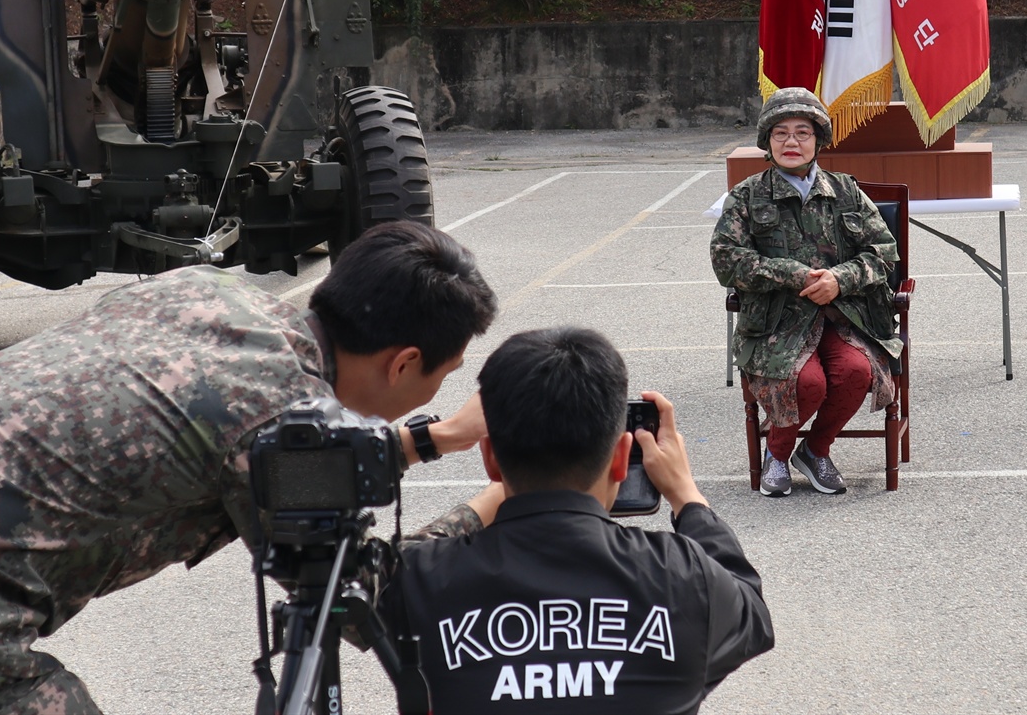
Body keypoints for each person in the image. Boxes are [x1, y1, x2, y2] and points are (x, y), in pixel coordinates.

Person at [0, 220, 497, 715]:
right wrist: (491, 506)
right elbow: (373, 603)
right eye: (442, 376)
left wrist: (435, 439)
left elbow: (247, 433)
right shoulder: (274, 419)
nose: (437, 389)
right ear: (404, 363)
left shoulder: (207, 294)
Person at [381, 327, 774, 715]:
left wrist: (439, 439)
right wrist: (686, 495)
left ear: (490, 459)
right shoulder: (684, 578)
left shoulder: (422, 578)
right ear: (621, 458)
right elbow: (750, 611)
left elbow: (349, 577)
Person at [711, 87, 904, 497]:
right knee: (808, 383)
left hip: (845, 316)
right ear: (767, 141)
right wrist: (790, 274)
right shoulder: (747, 196)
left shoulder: (846, 191)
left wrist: (840, 279)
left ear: (818, 140)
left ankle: (815, 450)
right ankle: (778, 455)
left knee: (856, 372)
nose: (792, 142)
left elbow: (885, 253)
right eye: (781, 133)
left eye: (803, 132)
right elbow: (725, 260)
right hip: (776, 323)